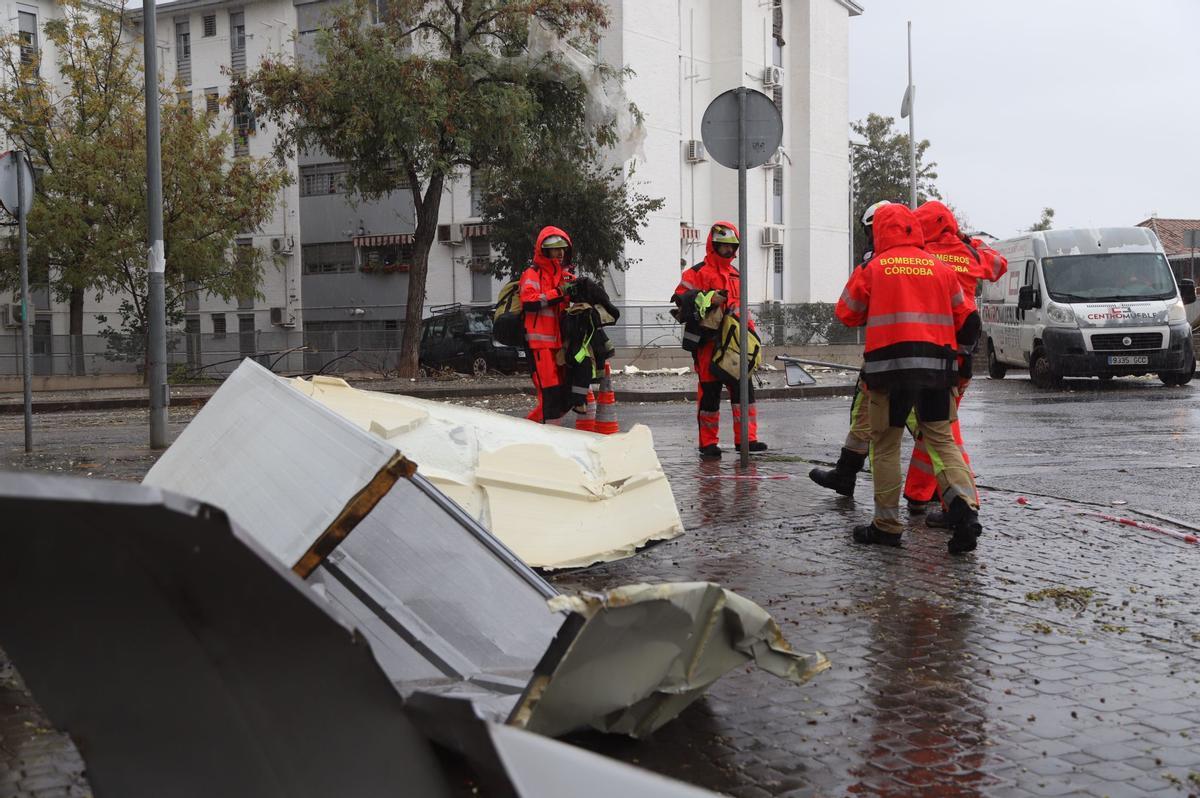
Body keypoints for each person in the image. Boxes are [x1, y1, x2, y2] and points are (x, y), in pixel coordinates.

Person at [834, 202, 983, 554]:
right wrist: (961, 363)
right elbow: (969, 320)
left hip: (889, 373)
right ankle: (965, 511)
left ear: (879, 231)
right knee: (942, 441)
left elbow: (847, 313)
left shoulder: (873, 268)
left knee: (886, 445)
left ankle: (887, 526)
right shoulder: (942, 268)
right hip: (937, 372)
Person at [904, 201, 1008, 522]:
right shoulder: (971, 253)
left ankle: (962, 501)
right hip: (963, 351)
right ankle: (919, 493)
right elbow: (999, 265)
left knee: (941, 427)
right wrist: (968, 240)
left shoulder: (922, 254)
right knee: (935, 424)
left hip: (928, 348)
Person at [808, 200, 892, 496]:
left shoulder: (874, 265)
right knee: (865, 415)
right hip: (927, 355)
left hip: (885, 355)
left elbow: (848, 312)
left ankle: (932, 492)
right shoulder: (926, 260)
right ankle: (845, 475)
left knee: (918, 427)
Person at [672, 221, 768, 459]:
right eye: (724, 245)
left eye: (732, 246)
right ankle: (708, 444)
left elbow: (742, 310)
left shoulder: (736, 274)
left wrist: (752, 337)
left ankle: (747, 439)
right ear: (713, 245)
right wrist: (707, 297)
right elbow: (680, 299)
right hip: (708, 343)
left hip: (735, 344)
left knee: (744, 392)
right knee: (710, 394)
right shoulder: (696, 273)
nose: (728, 250)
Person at [520, 227, 575, 424]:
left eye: (563, 248)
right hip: (539, 345)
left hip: (560, 345)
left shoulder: (564, 276)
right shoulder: (532, 274)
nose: (560, 253)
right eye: (555, 248)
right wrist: (559, 293)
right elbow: (529, 301)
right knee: (550, 395)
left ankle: (529, 429)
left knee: (563, 397)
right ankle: (538, 433)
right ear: (544, 250)